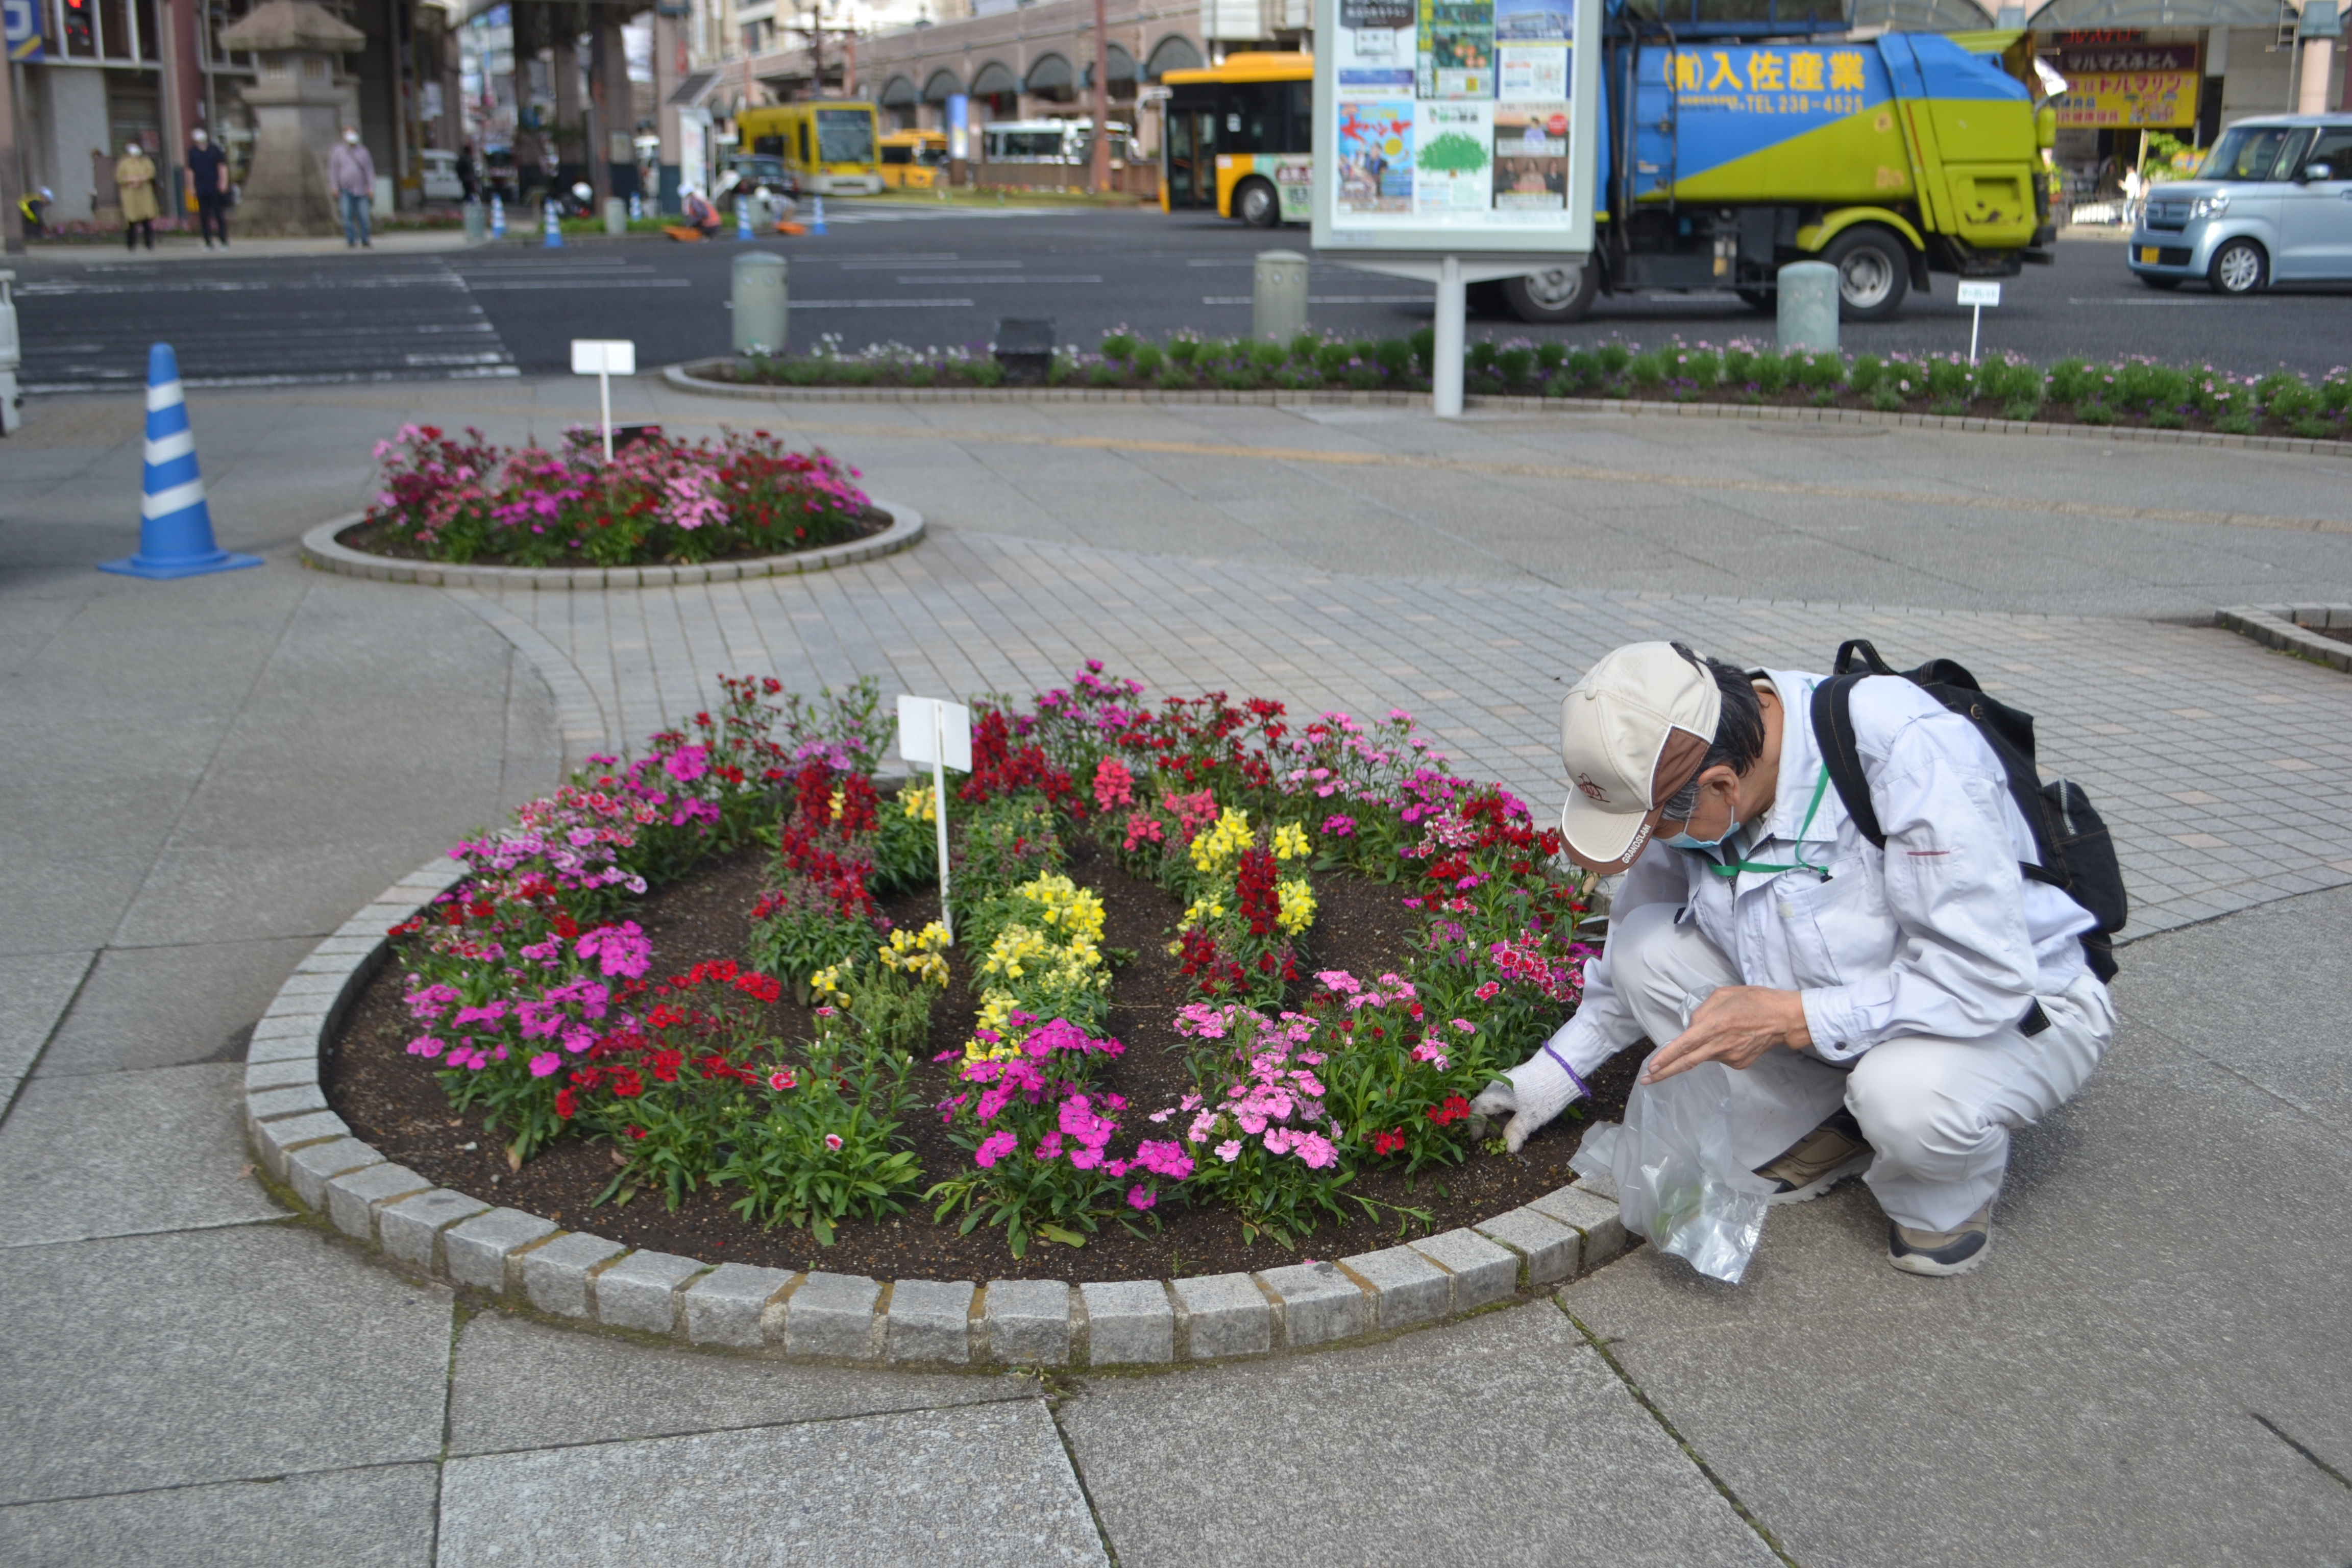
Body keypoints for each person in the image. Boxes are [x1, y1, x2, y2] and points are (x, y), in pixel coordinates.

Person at [1472, 642, 2115, 1278]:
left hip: (2014, 1009)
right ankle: (1836, 1125)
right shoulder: (1690, 775)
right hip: (1844, 1003)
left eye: (1658, 828)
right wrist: (1550, 1076)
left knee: (1903, 1097)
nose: (1659, 845)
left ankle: (1944, 1193)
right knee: (1645, 943)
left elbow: (1984, 978)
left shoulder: (1903, 751)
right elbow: (1626, 957)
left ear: (1721, 784)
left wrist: (1786, 1019)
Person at [328, 127, 375, 248]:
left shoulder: (363, 152)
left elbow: (369, 171)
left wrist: (371, 188)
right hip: (345, 190)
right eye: (348, 134)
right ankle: (351, 239)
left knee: (364, 217)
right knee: (346, 216)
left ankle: (365, 239)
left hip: (362, 190)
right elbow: (333, 171)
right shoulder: (338, 151)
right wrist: (334, 187)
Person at [188, 127, 231, 250]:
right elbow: (190, 170)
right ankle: (208, 242)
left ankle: (223, 240)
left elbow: (222, 166)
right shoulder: (193, 152)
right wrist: (191, 187)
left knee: (218, 215)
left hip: (214, 186)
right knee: (204, 216)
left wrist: (223, 182)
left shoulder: (214, 150)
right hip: (201, 187)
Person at [116, 140, 159, 251]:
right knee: (131, 221)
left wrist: (140, 179)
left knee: (146, 221)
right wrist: (130, 180)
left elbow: (151, 173)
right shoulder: (124, 163)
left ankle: (149, 244)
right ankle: (131, 245)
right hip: (130, 195)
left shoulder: (146, 162)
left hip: (144, 194)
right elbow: (119, 177)